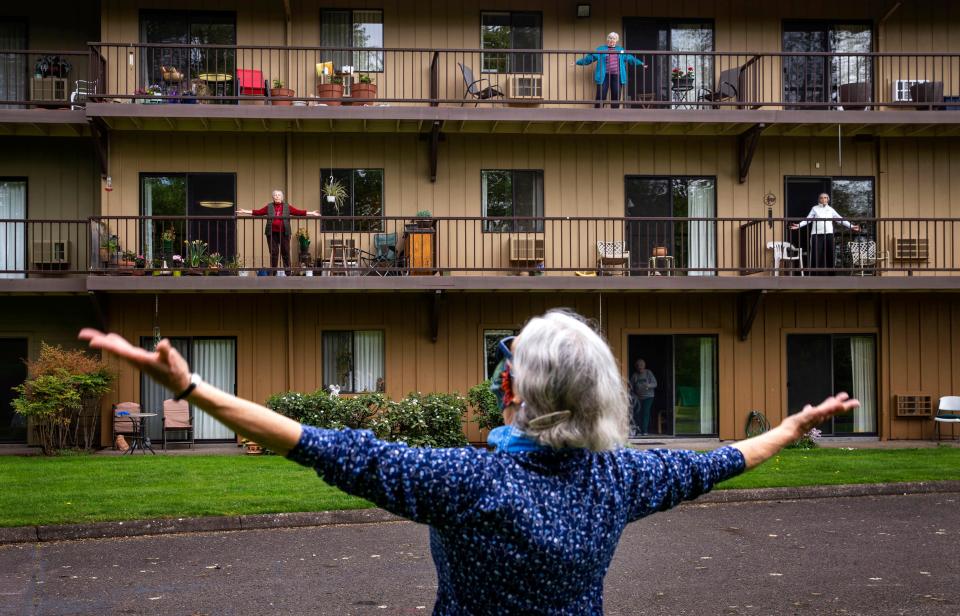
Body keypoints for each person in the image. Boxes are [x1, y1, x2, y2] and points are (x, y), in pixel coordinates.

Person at [79, 310, 858, 614]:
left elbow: (309, 441)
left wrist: (190, 388)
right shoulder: (623, 477)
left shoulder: (468, 481)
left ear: (512, 385)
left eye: (508, 356)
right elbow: (722, 461)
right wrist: (791, 425)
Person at [238, 190, 319, 274]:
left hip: (284, 232)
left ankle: (288, 272)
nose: (277, 196)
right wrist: (244, 211)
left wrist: (312, 213)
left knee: (286, 252)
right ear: (273, 197)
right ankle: (274, 272)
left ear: (281, 197)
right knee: (274, 252)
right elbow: (258, 212)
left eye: (278, 195)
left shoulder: (287, 206)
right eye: (275, 195)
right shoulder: (269, 206)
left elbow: (298, 212)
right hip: (272, 233)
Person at [790, 193, 860, 275]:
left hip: (829, 234)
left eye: (826, 198)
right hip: (816, 235)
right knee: (816, 255)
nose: (824, 199)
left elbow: (840, 219)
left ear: (828, 199)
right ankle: (814, 275)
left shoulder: (830, 209)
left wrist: (851, 226)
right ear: (819, 199)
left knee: (830, 253)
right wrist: (798, 226)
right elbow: (808, 219)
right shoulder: (814, 208)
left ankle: (831, 275)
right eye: (822, 198)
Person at [576, 32, 645, 109]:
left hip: (617, 75)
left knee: (616, 94)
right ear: (607, 39)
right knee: (601, 94)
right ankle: (597, 112)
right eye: (610, 38)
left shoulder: (620, 49)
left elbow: (630, 58)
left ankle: (614, 113)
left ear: (616, 40)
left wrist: (640, 63)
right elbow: (589, 58)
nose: (612, 40)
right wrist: (577, 62)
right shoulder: (601, 49)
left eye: (614, 39)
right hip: (604, 75)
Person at [629, 358, 657, 436]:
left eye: (641, 365)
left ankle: (644, 431)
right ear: (636, 367)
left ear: (644, 365)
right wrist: (633, 394)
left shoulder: (648, 373)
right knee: (638, 413)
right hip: (638, 397)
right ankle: (638, 430)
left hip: (649, 396)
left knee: (645, 412)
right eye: (638, 365)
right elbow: (630, 386)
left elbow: (655, 383)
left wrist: (648, 385)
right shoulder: (635, 375)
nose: (639, 367)